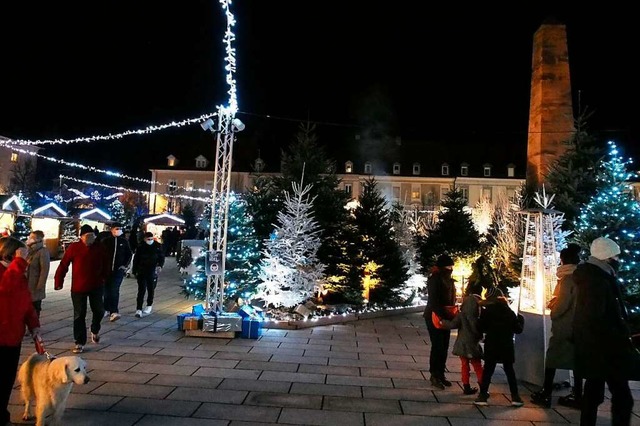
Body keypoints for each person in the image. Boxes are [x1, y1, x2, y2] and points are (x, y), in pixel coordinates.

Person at [573, 237, 634, 425]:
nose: (618, 260)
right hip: (606, 350)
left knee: (593, 395)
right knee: (622, 398)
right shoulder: (598, 281)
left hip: (596, 349)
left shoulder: (595, 276)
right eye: (615, 256)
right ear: (607, 257)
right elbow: (595, 317)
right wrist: (620, 336)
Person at [531, 243, 582, 408]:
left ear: (563, 262)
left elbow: (563, 304)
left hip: (565, 326)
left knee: (552, 359)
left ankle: (546, 394)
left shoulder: (568, 279)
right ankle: (578, 395)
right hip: (577, 325)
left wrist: (553, 309)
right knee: (576, 361)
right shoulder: (581, 277)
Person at [0, 237, 40, 426]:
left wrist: (34, 325)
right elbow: (5, 288)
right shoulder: (7, 273)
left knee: (6, 381)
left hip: (13, 337)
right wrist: (18, 262)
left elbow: (26, 303)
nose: (26, 258)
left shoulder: (18, 275)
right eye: (22, 253)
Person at [54, 224, 109, 354]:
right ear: (81, 237)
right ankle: (79, 341)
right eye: (87, 236)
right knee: (79, 314)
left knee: (99, 310)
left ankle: (95, 329)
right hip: (79, 287)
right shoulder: (74, 248)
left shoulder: (100, 247)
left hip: (96, 285)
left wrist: (105, 278)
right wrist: (58, 281)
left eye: (92, 236)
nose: (90, 238)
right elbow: (64, 265)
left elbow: (106, 265)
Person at [474, 286, 525, 407]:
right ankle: (515, 397)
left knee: (488, 370)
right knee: (509, 371)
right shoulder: (509, 312)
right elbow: (518, 330)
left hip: (492, 344)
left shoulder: (487, 311)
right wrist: (521, 320)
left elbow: (481, 328)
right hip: (506, 345)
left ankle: (482, 395)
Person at [439, 279, 484, 395]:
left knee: (464, 365)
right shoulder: (478, 317)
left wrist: (442, 322)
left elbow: (452, 325)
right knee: (477, 365)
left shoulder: (461, 315)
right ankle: (483, 386)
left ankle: (466, 385)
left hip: (462, 344)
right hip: (473, 345)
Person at [423, 253, 456, 389]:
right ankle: (434, 375)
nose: (450, 268)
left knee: (444, 346)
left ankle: (441, 373)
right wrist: (443, 315)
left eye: (451, 266)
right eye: (448, 266)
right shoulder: (435, 279)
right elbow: (434, 301)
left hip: (446, 316)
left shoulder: (449, 280)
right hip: (434, 316)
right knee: (437, 346)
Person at [101, 222, 132, 322]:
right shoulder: (106, 241)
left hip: (118, 271)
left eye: (120, 228)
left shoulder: (124, 241)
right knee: (106, 290)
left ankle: (114, 311)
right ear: (112, 229)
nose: (118, 230)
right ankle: (106, 308)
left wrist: (124, 266)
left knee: (114, 290)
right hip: (106, 270)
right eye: (116, 228)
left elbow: (129, 254)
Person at [132, 232, 164, 318]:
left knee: (151, 289)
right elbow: (136, 259)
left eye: (151, 239)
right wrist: (134, 270)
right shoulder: (141, 247)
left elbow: (161, 257)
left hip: (152, 271)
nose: (150, 241)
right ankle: (138, 308)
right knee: (141, 290)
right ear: (145, 239)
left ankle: (149, 305)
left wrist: (160, 266)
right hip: (142, 270)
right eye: (148, 239)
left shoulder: (157, 246)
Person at [26, 230, 51, 317]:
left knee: (35, 306)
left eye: (32, 238)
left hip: (35, 283)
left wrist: (40, 285)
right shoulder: (28, 250)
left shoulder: (42, 251)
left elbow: (44, 270)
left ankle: (35, 326)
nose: (29, 239)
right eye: (29, 237)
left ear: (38, 239)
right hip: (26, 283)